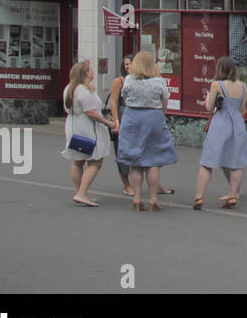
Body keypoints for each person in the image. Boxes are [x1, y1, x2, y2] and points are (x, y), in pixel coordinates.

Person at [116, 52, 178, 211]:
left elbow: (124, 98)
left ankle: (137, 198)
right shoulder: (158, 81)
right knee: (152, 160)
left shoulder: (129, 80)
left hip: (132, 118)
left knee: (134, 161)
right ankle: (153, 199)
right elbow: (165, 103)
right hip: (153, 118)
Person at [194, 56, 247, 210]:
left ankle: (199, 197)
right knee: (236, 163)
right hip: (237, 124)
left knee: (207, 162)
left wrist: (209, 99)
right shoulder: (243, 86)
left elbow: (209, 108)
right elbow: (242, 109)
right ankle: (233, 195)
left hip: (220, 124)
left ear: (219, 69)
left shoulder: (217, 84)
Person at [61, 59, 116, 207]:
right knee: (95, 162)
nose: (93, 71)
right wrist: (108, 123)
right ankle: (81, 193)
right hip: (88, 128)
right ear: (86, 73)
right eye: (91, 69)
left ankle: (80, 191)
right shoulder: (86, 90)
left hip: (73, 126)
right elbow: (91, 112)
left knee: (78, 160)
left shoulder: (69, 88)